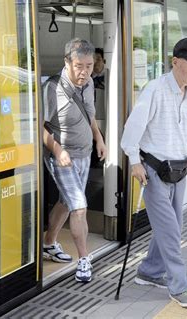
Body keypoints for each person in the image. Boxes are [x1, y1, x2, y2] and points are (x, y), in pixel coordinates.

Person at [120, 37, 187, 308]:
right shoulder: (155, 90)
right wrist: (134, 162)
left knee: (173, 226)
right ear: (175, 62)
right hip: (153, 170)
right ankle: (179, 286)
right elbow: (130, 132)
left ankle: (148, 272)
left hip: (180, 168)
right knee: (171, 231)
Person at [42, 38, 107, 283]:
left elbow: (89, 115)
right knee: (79, 206)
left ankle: (49, 243)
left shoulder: (89, 83)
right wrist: (58, 151)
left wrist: (99, 139)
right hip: (62, 157)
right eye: (79, 65)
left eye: (89, 65)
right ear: (67, 62)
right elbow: (41, 128)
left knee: (66, 202)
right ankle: (84, 259)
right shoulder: (53, 87)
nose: (85, 71)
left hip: (84, 153)